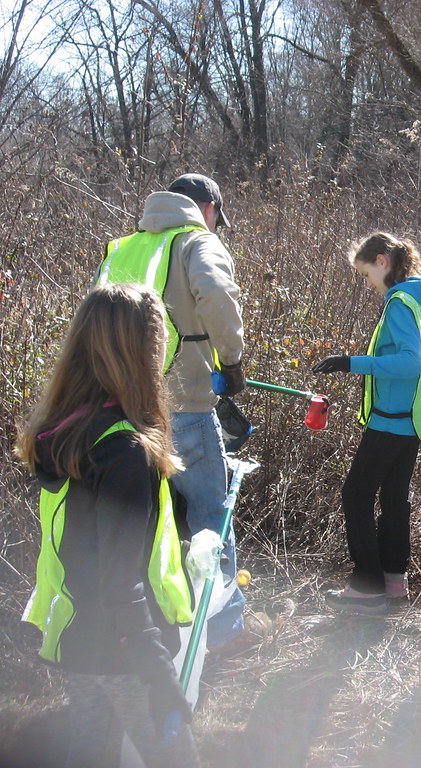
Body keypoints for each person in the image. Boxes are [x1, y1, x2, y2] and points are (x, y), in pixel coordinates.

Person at [17, 284, 199, 767]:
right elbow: (121, 581)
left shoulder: (67, 434)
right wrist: (159, 676)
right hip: (126, 651)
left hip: (80, 636)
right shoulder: (124, 453)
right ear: (142, 351)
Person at [96, 172, 249, 650]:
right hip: (183, 405)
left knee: (151, 521)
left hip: (118, 408)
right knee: (209, 517)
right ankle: (225, 631)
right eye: (216, 218)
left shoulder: (122, 248)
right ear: (208, 208)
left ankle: (161, 626)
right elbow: (218, 296)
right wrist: (232, 361)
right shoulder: (196, 242)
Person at [312, 233, 421, 614]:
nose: (367, 284)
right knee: (394, 499)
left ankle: (367, 586)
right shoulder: (417, 298)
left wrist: (351, 362)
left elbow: (412, 363)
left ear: (381, 261)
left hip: (393, 421)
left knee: (355, 494)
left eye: (365, 274)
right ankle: (394, 581)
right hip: (409, 420)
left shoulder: (399, 303)